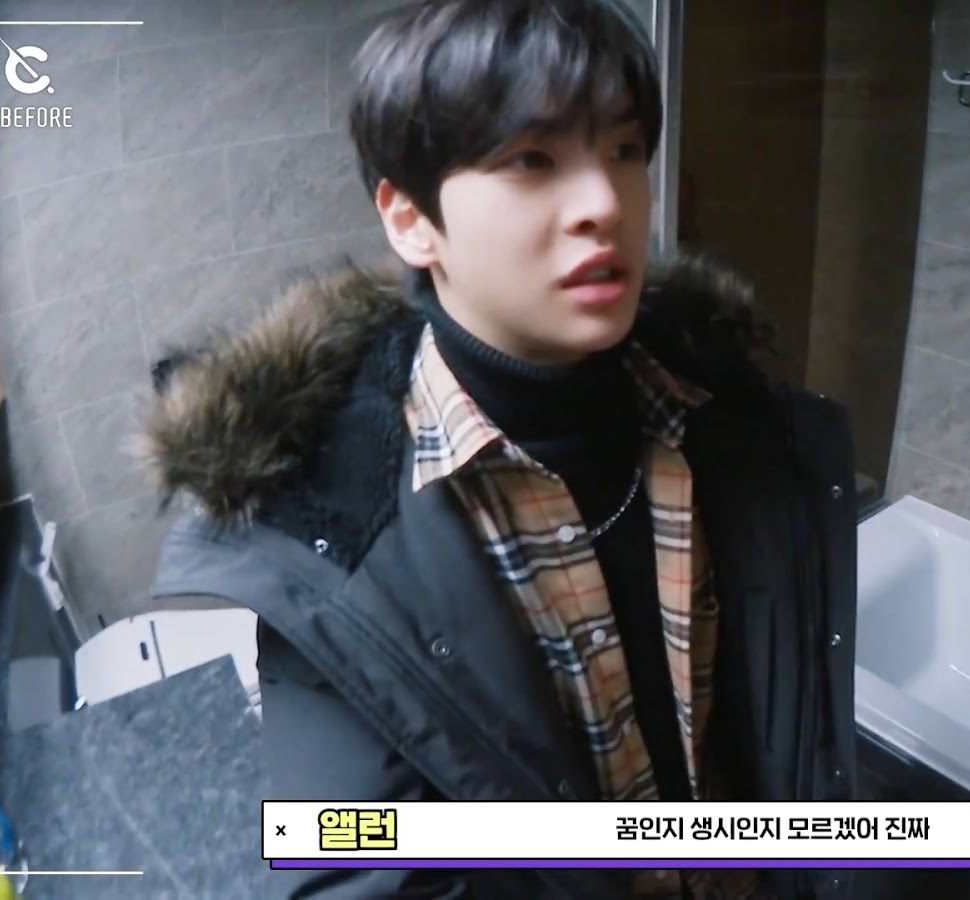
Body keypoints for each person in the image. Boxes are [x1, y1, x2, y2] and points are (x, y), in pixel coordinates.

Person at [132, 0, 859, 898]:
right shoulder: (329, 538)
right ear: (411, 219)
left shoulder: (731, 417)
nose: (605, 204)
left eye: (624, 149)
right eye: (531, 160)